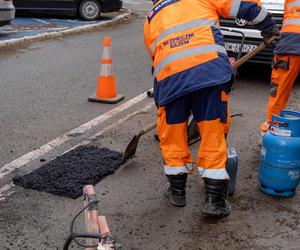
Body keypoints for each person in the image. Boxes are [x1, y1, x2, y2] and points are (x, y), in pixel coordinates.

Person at [144, 0, 279, 217]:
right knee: (212, 134)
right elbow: (245, 6)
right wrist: (269, 27)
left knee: (172, 137)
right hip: (209, 75)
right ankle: (214, 201)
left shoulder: (151, 16)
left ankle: (177, 192)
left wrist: (162, 100)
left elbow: (157, 58)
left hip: (170, 83)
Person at [261, 0, 300, 135]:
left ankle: (270, 131)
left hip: (289, 44)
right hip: (290, 43)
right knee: (278, 91)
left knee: (278, 92)